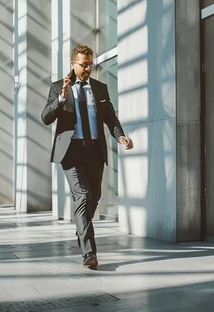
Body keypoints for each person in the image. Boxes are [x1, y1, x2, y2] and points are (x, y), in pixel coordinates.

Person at [41, 44, 133, 268]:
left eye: (91, 64)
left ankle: (81, 227)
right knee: (82, 197)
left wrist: (120, 136)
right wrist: (61, 99)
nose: (88, 69)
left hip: (95, 151)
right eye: (84, 65)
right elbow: (45, 117)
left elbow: (110, 118)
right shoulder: (58, 88)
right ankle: (89, 253)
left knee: (94, 198)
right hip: (71, 151)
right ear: (73, 64)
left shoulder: (100, 89)